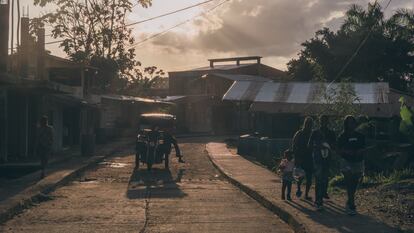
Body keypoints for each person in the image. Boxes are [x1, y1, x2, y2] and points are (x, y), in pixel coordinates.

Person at [337, 115, 366, 216]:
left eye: (353, 122)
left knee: (354, 183)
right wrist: (346, 151)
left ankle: (350, 199)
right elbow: (339, 149)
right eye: (349, 122)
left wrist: (360, 151)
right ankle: (352, 204)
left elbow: (364, 148)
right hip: (346, 161)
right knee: (349, 181)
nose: (351, 124)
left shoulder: (360, 136)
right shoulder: (342, 136)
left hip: (358, 162)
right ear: (346, 124)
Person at [309, 115, 336, 210]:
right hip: (318, 159)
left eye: (325, 120)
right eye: (322, 120)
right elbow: (310, 145)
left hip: (327, 159)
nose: (324, 122)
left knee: (324, 180)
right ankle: (318, 201)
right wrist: (318, 146)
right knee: (318, 180)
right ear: (320, 121)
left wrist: (328, 145)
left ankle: (323, 194)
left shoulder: (331, 133)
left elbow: (335, 145)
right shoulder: (315, 133)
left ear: (328, 122)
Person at [292, 117, 314, 200]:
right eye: (308, 123)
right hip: (301, 157)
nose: (309, 125)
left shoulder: (312, 134)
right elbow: (294, 145)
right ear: (305, 124)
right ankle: (298, 189)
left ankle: (306, 194)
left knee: (309, 177)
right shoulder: (299, 133)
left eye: (310, 124)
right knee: (300, 177)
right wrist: (296, 156)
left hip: (309, 158)